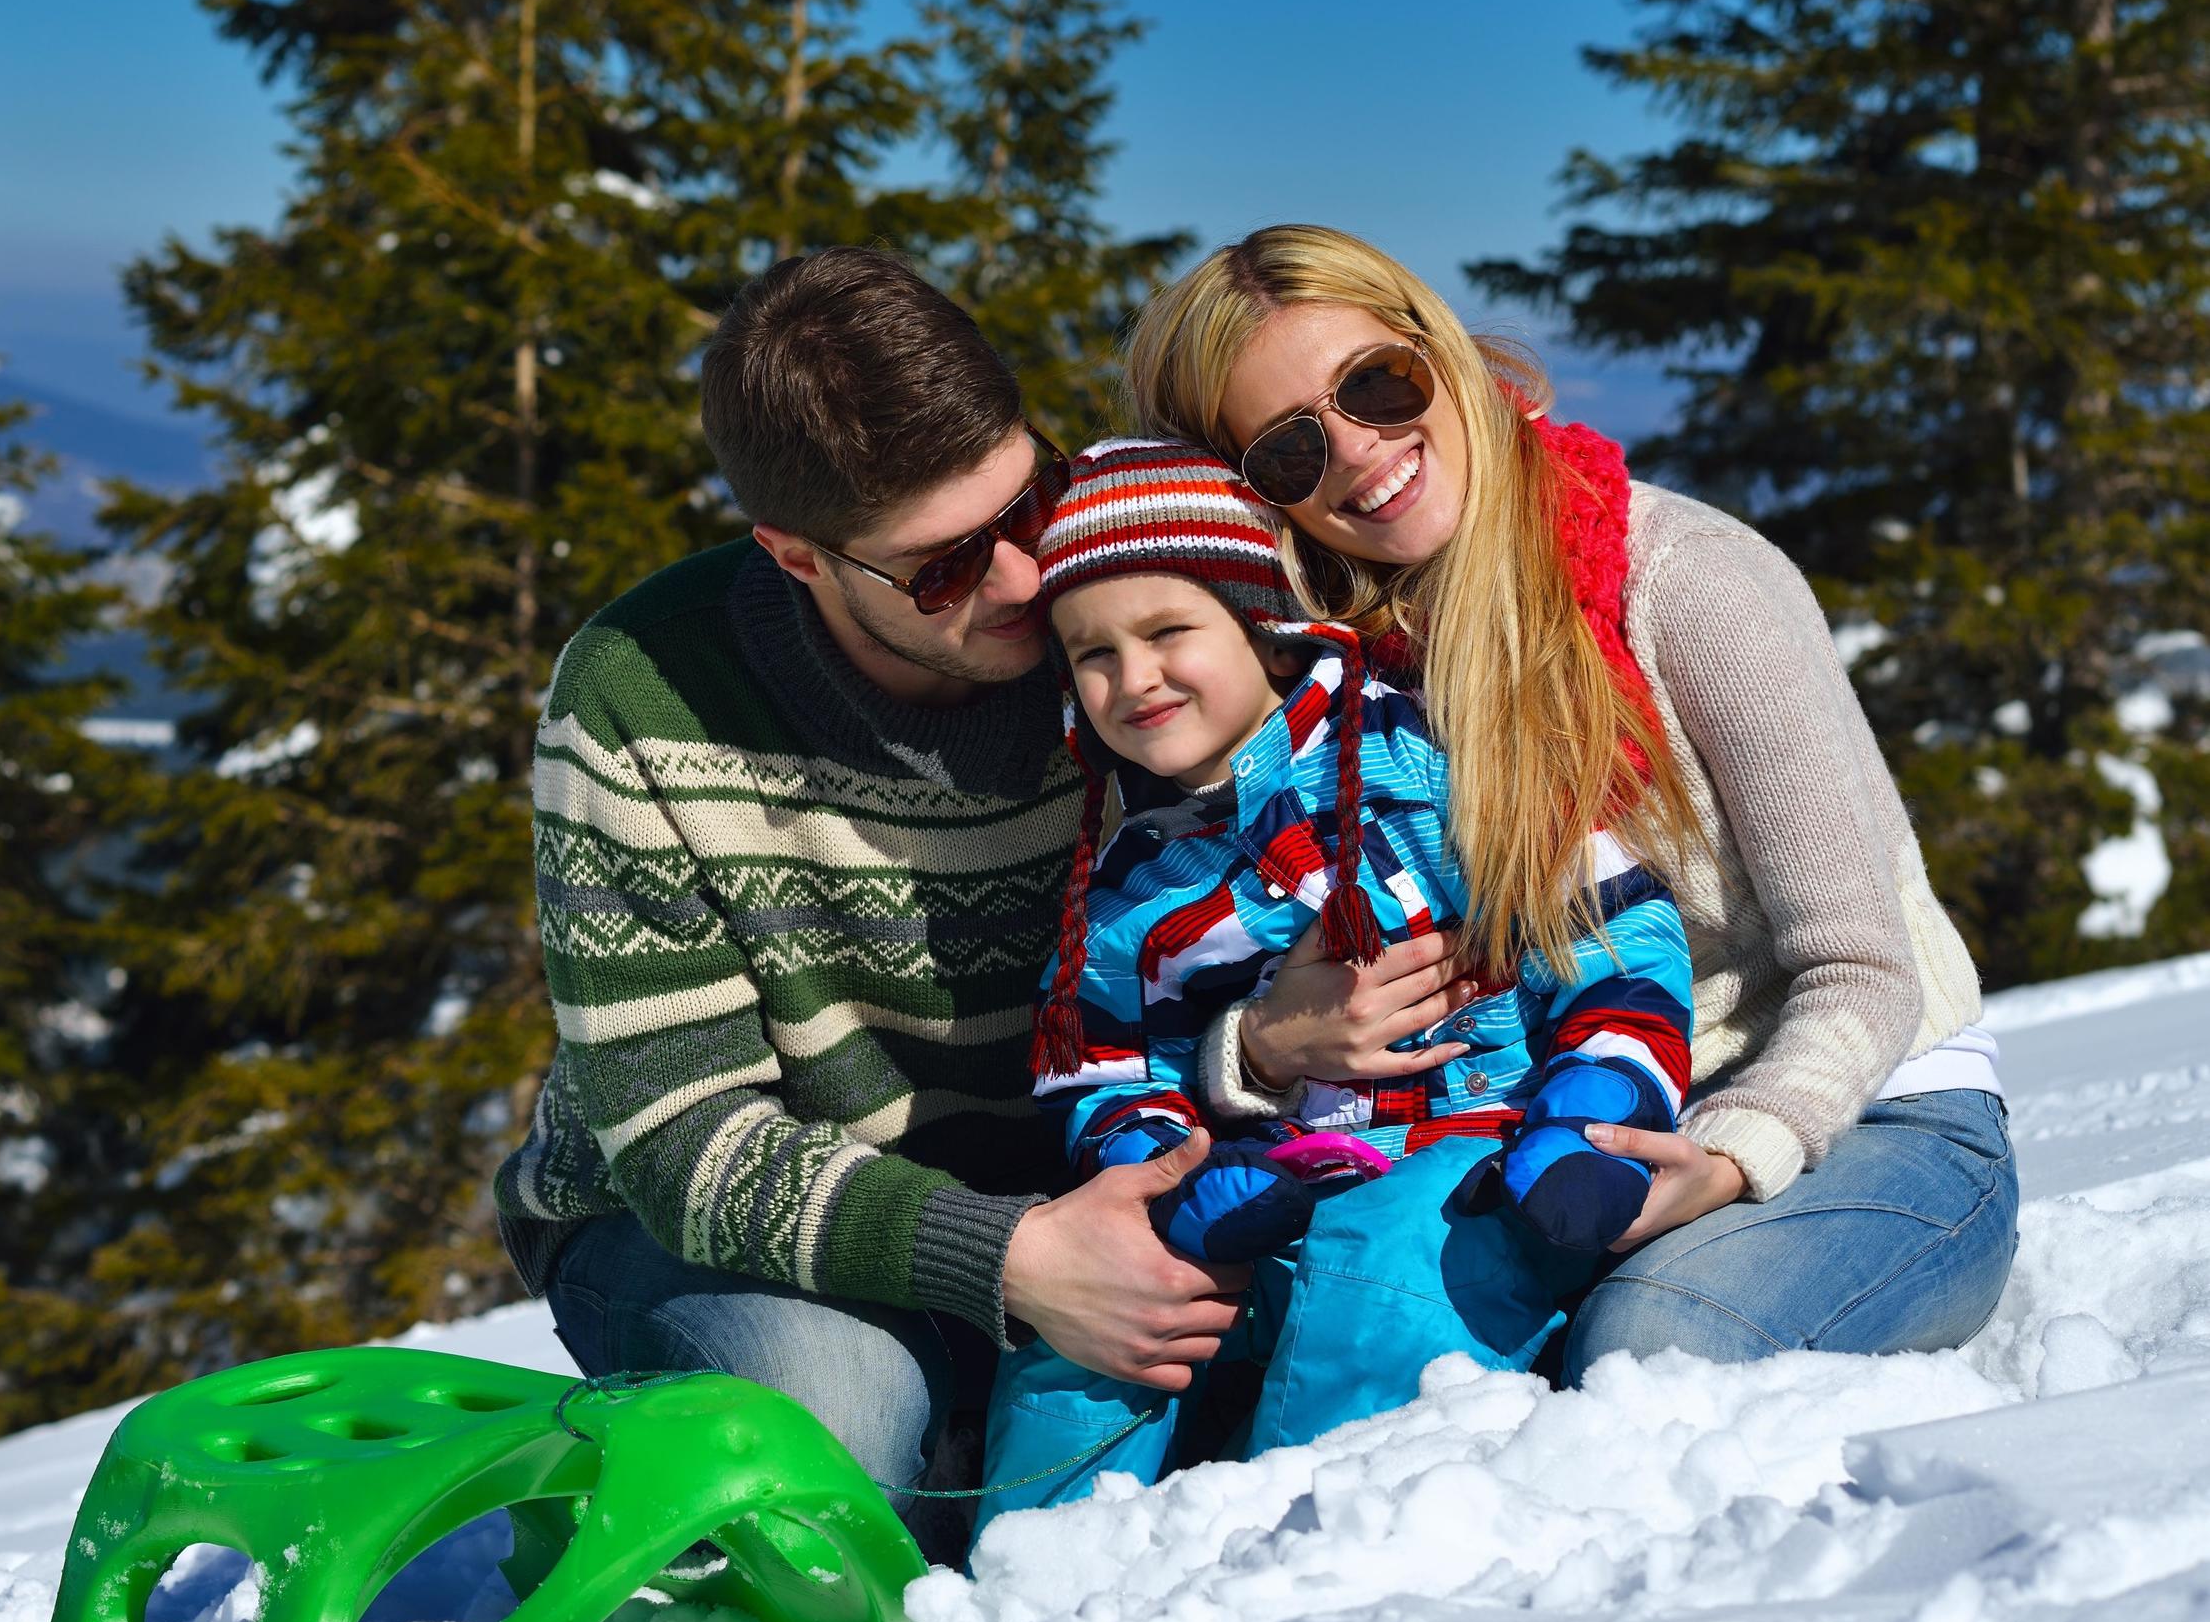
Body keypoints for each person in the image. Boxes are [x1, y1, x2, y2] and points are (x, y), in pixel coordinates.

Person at [1123, 226, 2016, 1380]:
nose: (1357, 453)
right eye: (1289, 452)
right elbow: (1165, 970)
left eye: (1375, 385)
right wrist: (1258, 1046)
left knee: (1646, 1352)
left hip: (1863, 1120)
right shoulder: (1309, 690)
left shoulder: (1685, 584)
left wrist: (1736, 1150)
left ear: (1434, 348)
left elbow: (1862, 969)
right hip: (1535, 1138)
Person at [491, 247, 1250, 1548]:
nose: (1022, 581)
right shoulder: (639, 692)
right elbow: (679, 1140)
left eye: (1031, 505)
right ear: (798, 558)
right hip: (712, 1227)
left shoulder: (1126, 611)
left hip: (1087, 1178)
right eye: (944, 569)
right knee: (834, 1420)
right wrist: (1008, 1262)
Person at [975, 441, 1695, 1521]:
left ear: (1260, 622)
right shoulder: (1131, 885)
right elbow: (1102, 1065)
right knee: (1090, 1322)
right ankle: (1032, 1573)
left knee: (1383, 1256)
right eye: (1091, 655)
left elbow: (1617, 944)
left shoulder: (1429, 769)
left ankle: (1305, 1542)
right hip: (1254, 1206)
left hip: (1475, 1174)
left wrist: (1583, 1119)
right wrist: (1170, 1177)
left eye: (1167, 632)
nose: (1133, 680)